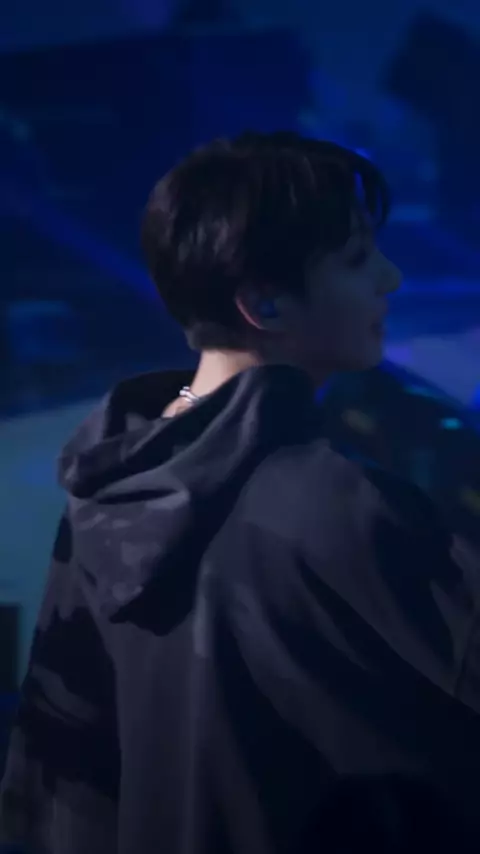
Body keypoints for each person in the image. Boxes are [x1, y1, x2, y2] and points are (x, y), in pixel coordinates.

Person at [1, 131, 479, 854]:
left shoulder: (106, 490)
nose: (391, 278)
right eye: (357, 259)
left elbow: (60, 784)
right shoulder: (337, 502)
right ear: (265, 302)